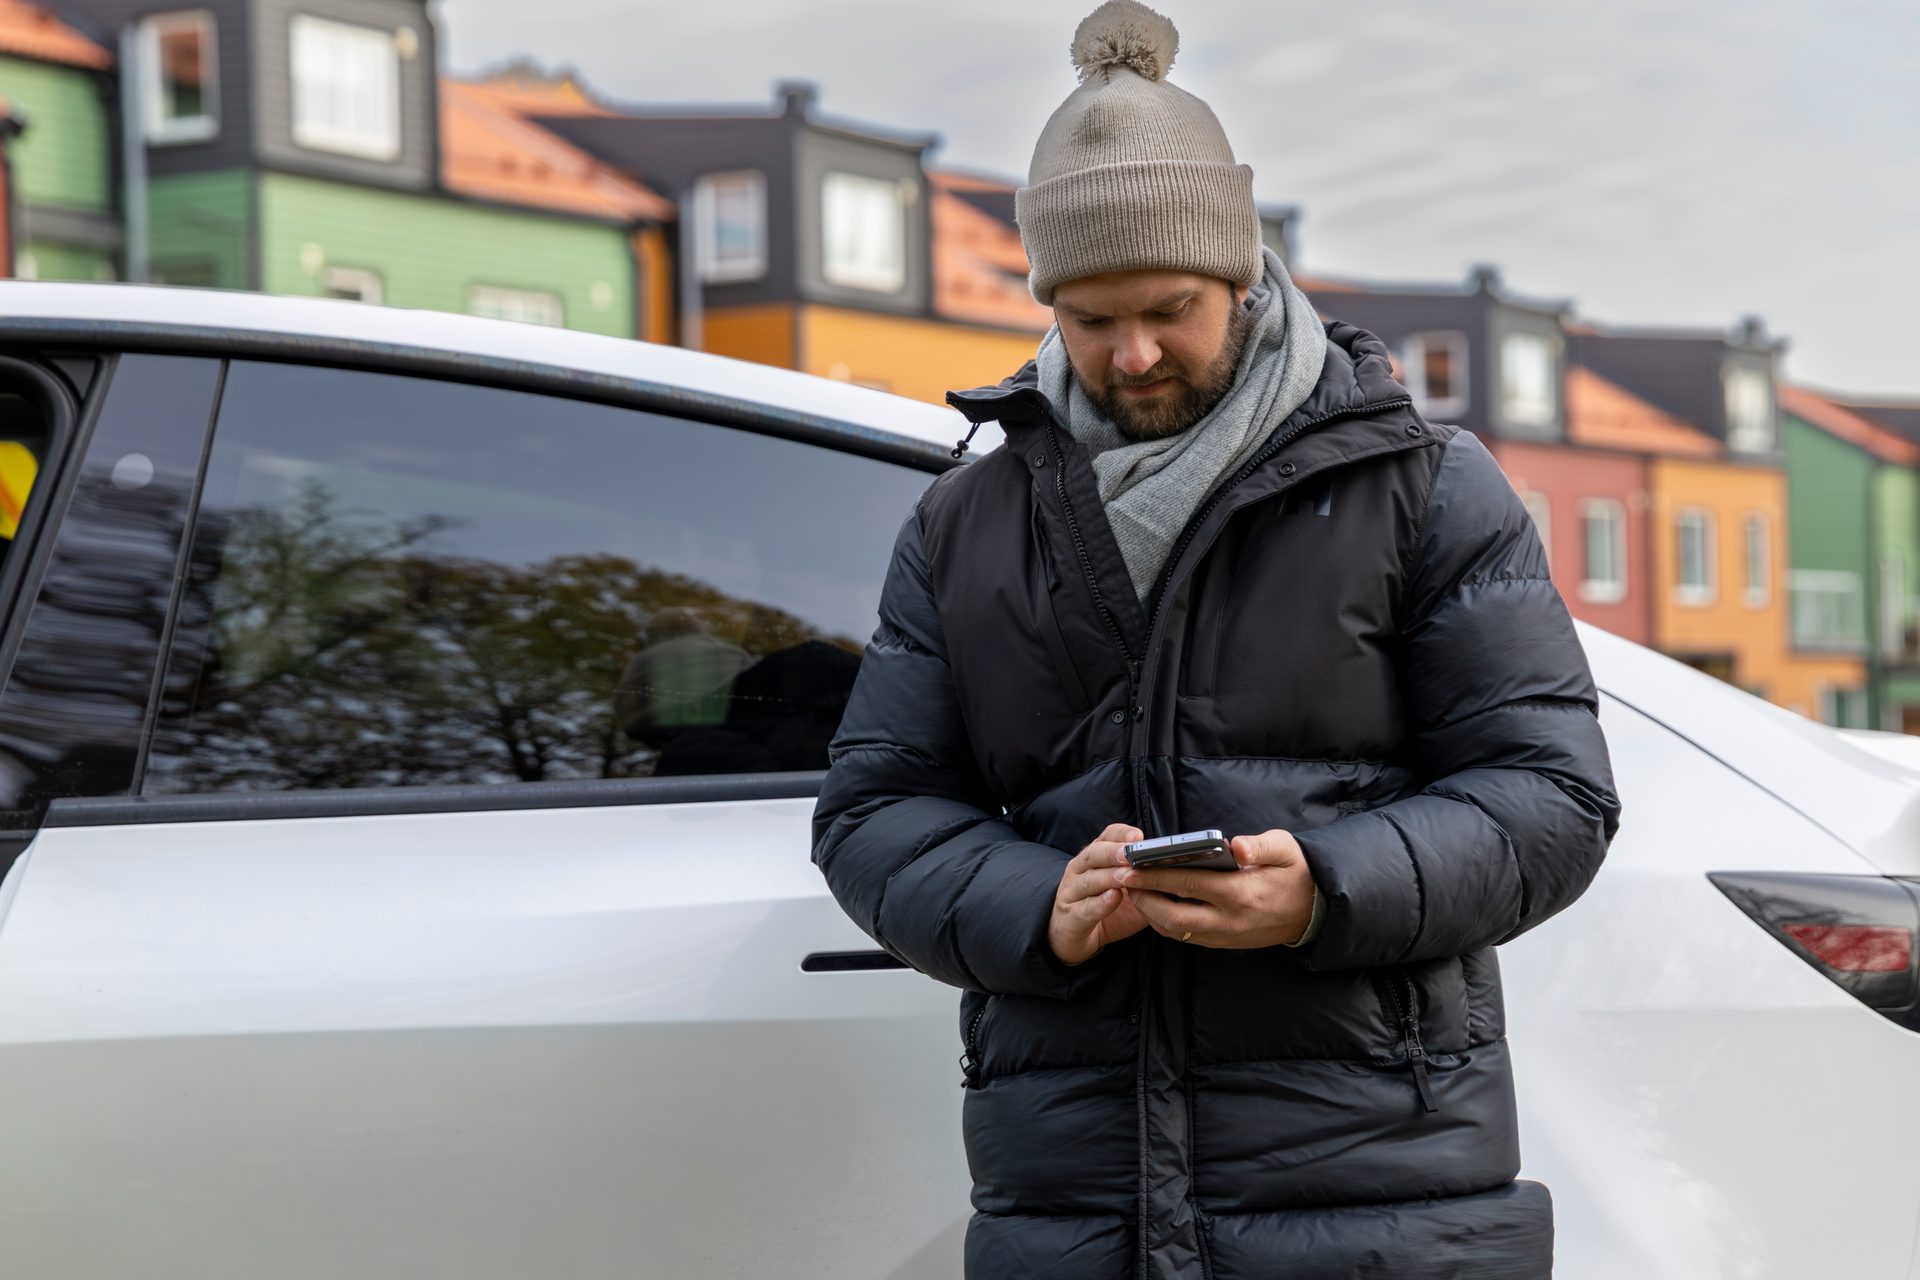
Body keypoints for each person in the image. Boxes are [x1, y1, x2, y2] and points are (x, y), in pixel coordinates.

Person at [811, 2, 1621, 1275]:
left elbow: (1552, 796)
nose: (1131, 352)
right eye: (1088, 318)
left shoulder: (1424, 485)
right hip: (1077, 1199)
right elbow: (873, 811)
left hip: (1381, 1193)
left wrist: (1323, 889)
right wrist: (1042, 903)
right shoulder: (964, 522)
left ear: (1243, 276)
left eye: (1169, 308)